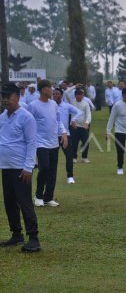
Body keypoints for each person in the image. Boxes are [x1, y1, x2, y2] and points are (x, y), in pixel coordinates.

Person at [0, 83, 41, 252]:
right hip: (6, 166)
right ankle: (16, 234)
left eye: (7, 97)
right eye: (2, 97)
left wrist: (28, 167)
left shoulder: (26, 117)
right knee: (9, 203)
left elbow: (32, 143)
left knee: (24, 203)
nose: (4, 100)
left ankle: (33, 238)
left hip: (20, 168)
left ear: (17, 97)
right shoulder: (3, 116)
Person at [28, 79, 68, 207]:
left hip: (54, 143)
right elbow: (28, 124)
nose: (52, 90)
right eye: (50, 88)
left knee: (52, 171)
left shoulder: (54, 105)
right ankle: (38, 196)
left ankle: (48, 197)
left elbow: (58, 121)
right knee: (44, 168)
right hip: (40, 143)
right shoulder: (33, 105)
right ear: (43, 90)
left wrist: (64, 133)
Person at [53, 87, 83, 184]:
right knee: (53, 158)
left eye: (57, 94)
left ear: (61, 95)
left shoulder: (66, 106)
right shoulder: (50, 106)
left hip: (66, 135)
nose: (55, 95)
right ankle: (52, 177)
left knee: (69, 156)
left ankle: (70, 176)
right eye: (54, 94)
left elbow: (79, 112)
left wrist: (73, 120)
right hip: (53, 136)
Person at [70, 88, 92, 163]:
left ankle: (84, 157)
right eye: (78, 95)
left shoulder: (86, 104)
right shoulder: (72, 103)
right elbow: (66, 93)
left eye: (81, 94)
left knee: (86, 142)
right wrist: (74, 86)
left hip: (83, 127)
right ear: (75, 95)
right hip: (74, 126)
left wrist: (87, 122)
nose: (80, 96)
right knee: (74, 143)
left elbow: (88, 114)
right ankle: (74, 157)